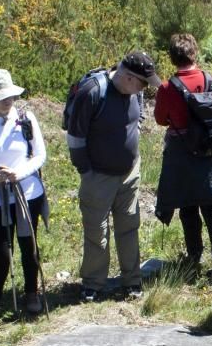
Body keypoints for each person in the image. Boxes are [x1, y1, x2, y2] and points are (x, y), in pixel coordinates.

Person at [67, 51, 162, 302]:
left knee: (129, 226)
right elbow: (76, 137)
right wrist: (86, 171)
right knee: (97, 232)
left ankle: (132, 281)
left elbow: (137, 114)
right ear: (129, 78)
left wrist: (136, 129)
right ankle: (93, 284)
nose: (145, 89)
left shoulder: (135, 91)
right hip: (98, 175)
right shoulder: (92, 92)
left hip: (130, 173)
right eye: (143, 83)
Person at [154, 34, 212, 279]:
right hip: (211, 149)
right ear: (195, 53)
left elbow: (160, 120)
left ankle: (193, 259)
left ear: (172, 57)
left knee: (188, 208)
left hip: (182, 151)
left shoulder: (168, 87)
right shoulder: (211, 79)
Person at [0, 68, 48, 315]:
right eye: (1, 97)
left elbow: (39, 155)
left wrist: (20, 173)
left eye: (10, 96)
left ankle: (31, 293)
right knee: (3, 251)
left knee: (29, 245)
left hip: (28, 193)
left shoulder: (26, 117)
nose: (8, 101)